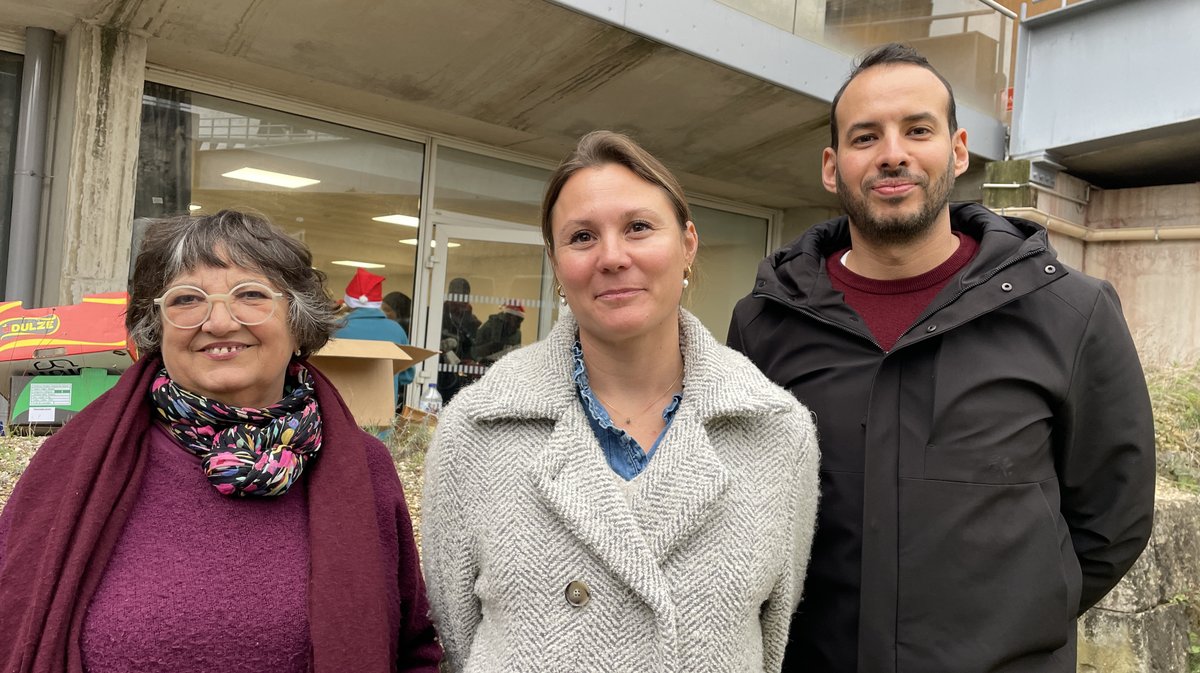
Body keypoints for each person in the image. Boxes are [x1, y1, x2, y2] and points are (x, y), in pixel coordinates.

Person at [728, 43, 1155, 672]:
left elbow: (1111, 523)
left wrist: (1015, 622)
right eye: (865, 136)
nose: (893, 154)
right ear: (831, 165)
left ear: (957, 150)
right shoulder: (765, 323)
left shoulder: (1071, 313)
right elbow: (742, 511)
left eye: (917, 130)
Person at [422, 130, 820, 672]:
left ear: (688, 245)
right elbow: (458, 633)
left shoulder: (776, 433)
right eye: (582, 237)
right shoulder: (476, 429)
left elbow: (769, 643)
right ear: (557, 265)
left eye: (638, 227)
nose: (612, 257)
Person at [0, 210, 441, 672]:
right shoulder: (72, 465)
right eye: (187, 299)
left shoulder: (362, 468)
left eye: (250, 294)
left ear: (298, 320)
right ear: (157, 327)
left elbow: (413, 646)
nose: (220, 322)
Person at [334, 268, 415, 406]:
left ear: (348, 301)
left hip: (340, 414)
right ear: (378, 304)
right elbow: (407, 376)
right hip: (382, 417)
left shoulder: (335, 329)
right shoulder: (396, 331)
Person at [437, 277, 481, 402]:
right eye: (455, 298)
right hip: (438, 374)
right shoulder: (437, 314)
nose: (458, 305)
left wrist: (472, 361)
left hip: (461, 377)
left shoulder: (471, 321)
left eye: (462, 299)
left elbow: (473, 348)